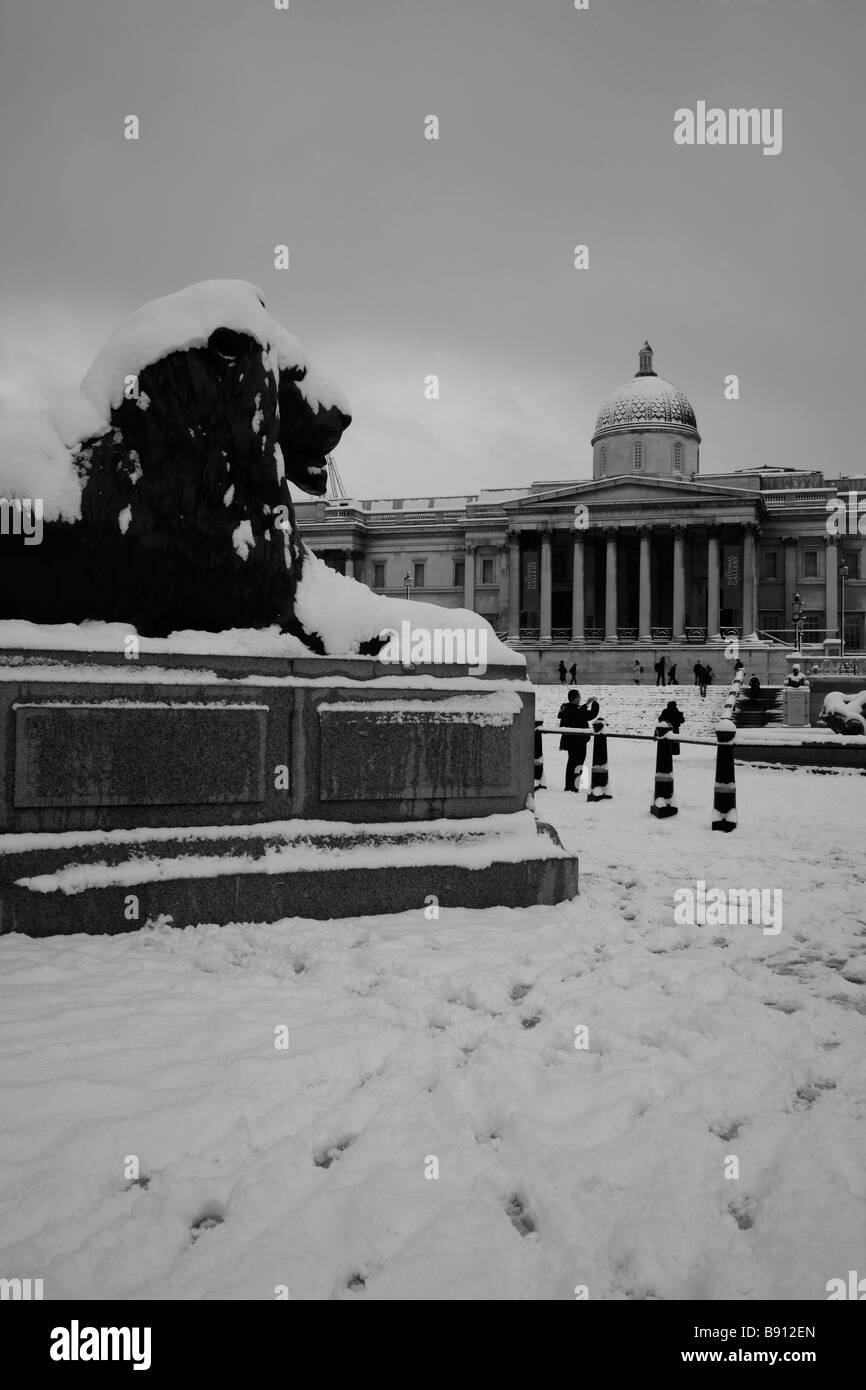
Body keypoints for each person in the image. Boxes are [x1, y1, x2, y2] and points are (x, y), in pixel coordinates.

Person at [558, 689, 599, 792]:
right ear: (576, 698)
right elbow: (591, 714)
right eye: (579, 697)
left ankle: (568, 786)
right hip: (579, 742)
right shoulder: (577, 711)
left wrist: (586, 704)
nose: (580, 698)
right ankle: (574, 787)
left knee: (571, 763)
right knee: (578, 763)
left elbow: (577, 712)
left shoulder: (565, 708)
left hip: (569, 741)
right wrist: (595, 703)